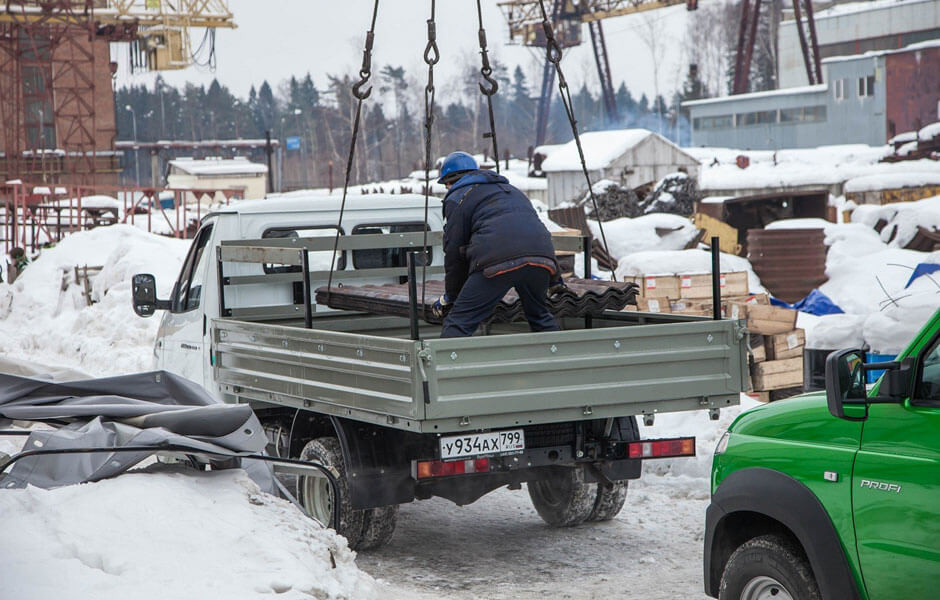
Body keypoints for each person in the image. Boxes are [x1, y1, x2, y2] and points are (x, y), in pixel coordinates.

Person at [432, 151, 562, 338]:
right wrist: (556, 279)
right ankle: (559, 361)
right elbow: (534, 231)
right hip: (542, 259)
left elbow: (454, 252)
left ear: (449, 181)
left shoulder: (457, 197)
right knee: (540, 315)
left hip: (496, 262)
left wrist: (452, 296)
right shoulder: (511, 190)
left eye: (446, 185)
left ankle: (446, 364)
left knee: (458, 322)